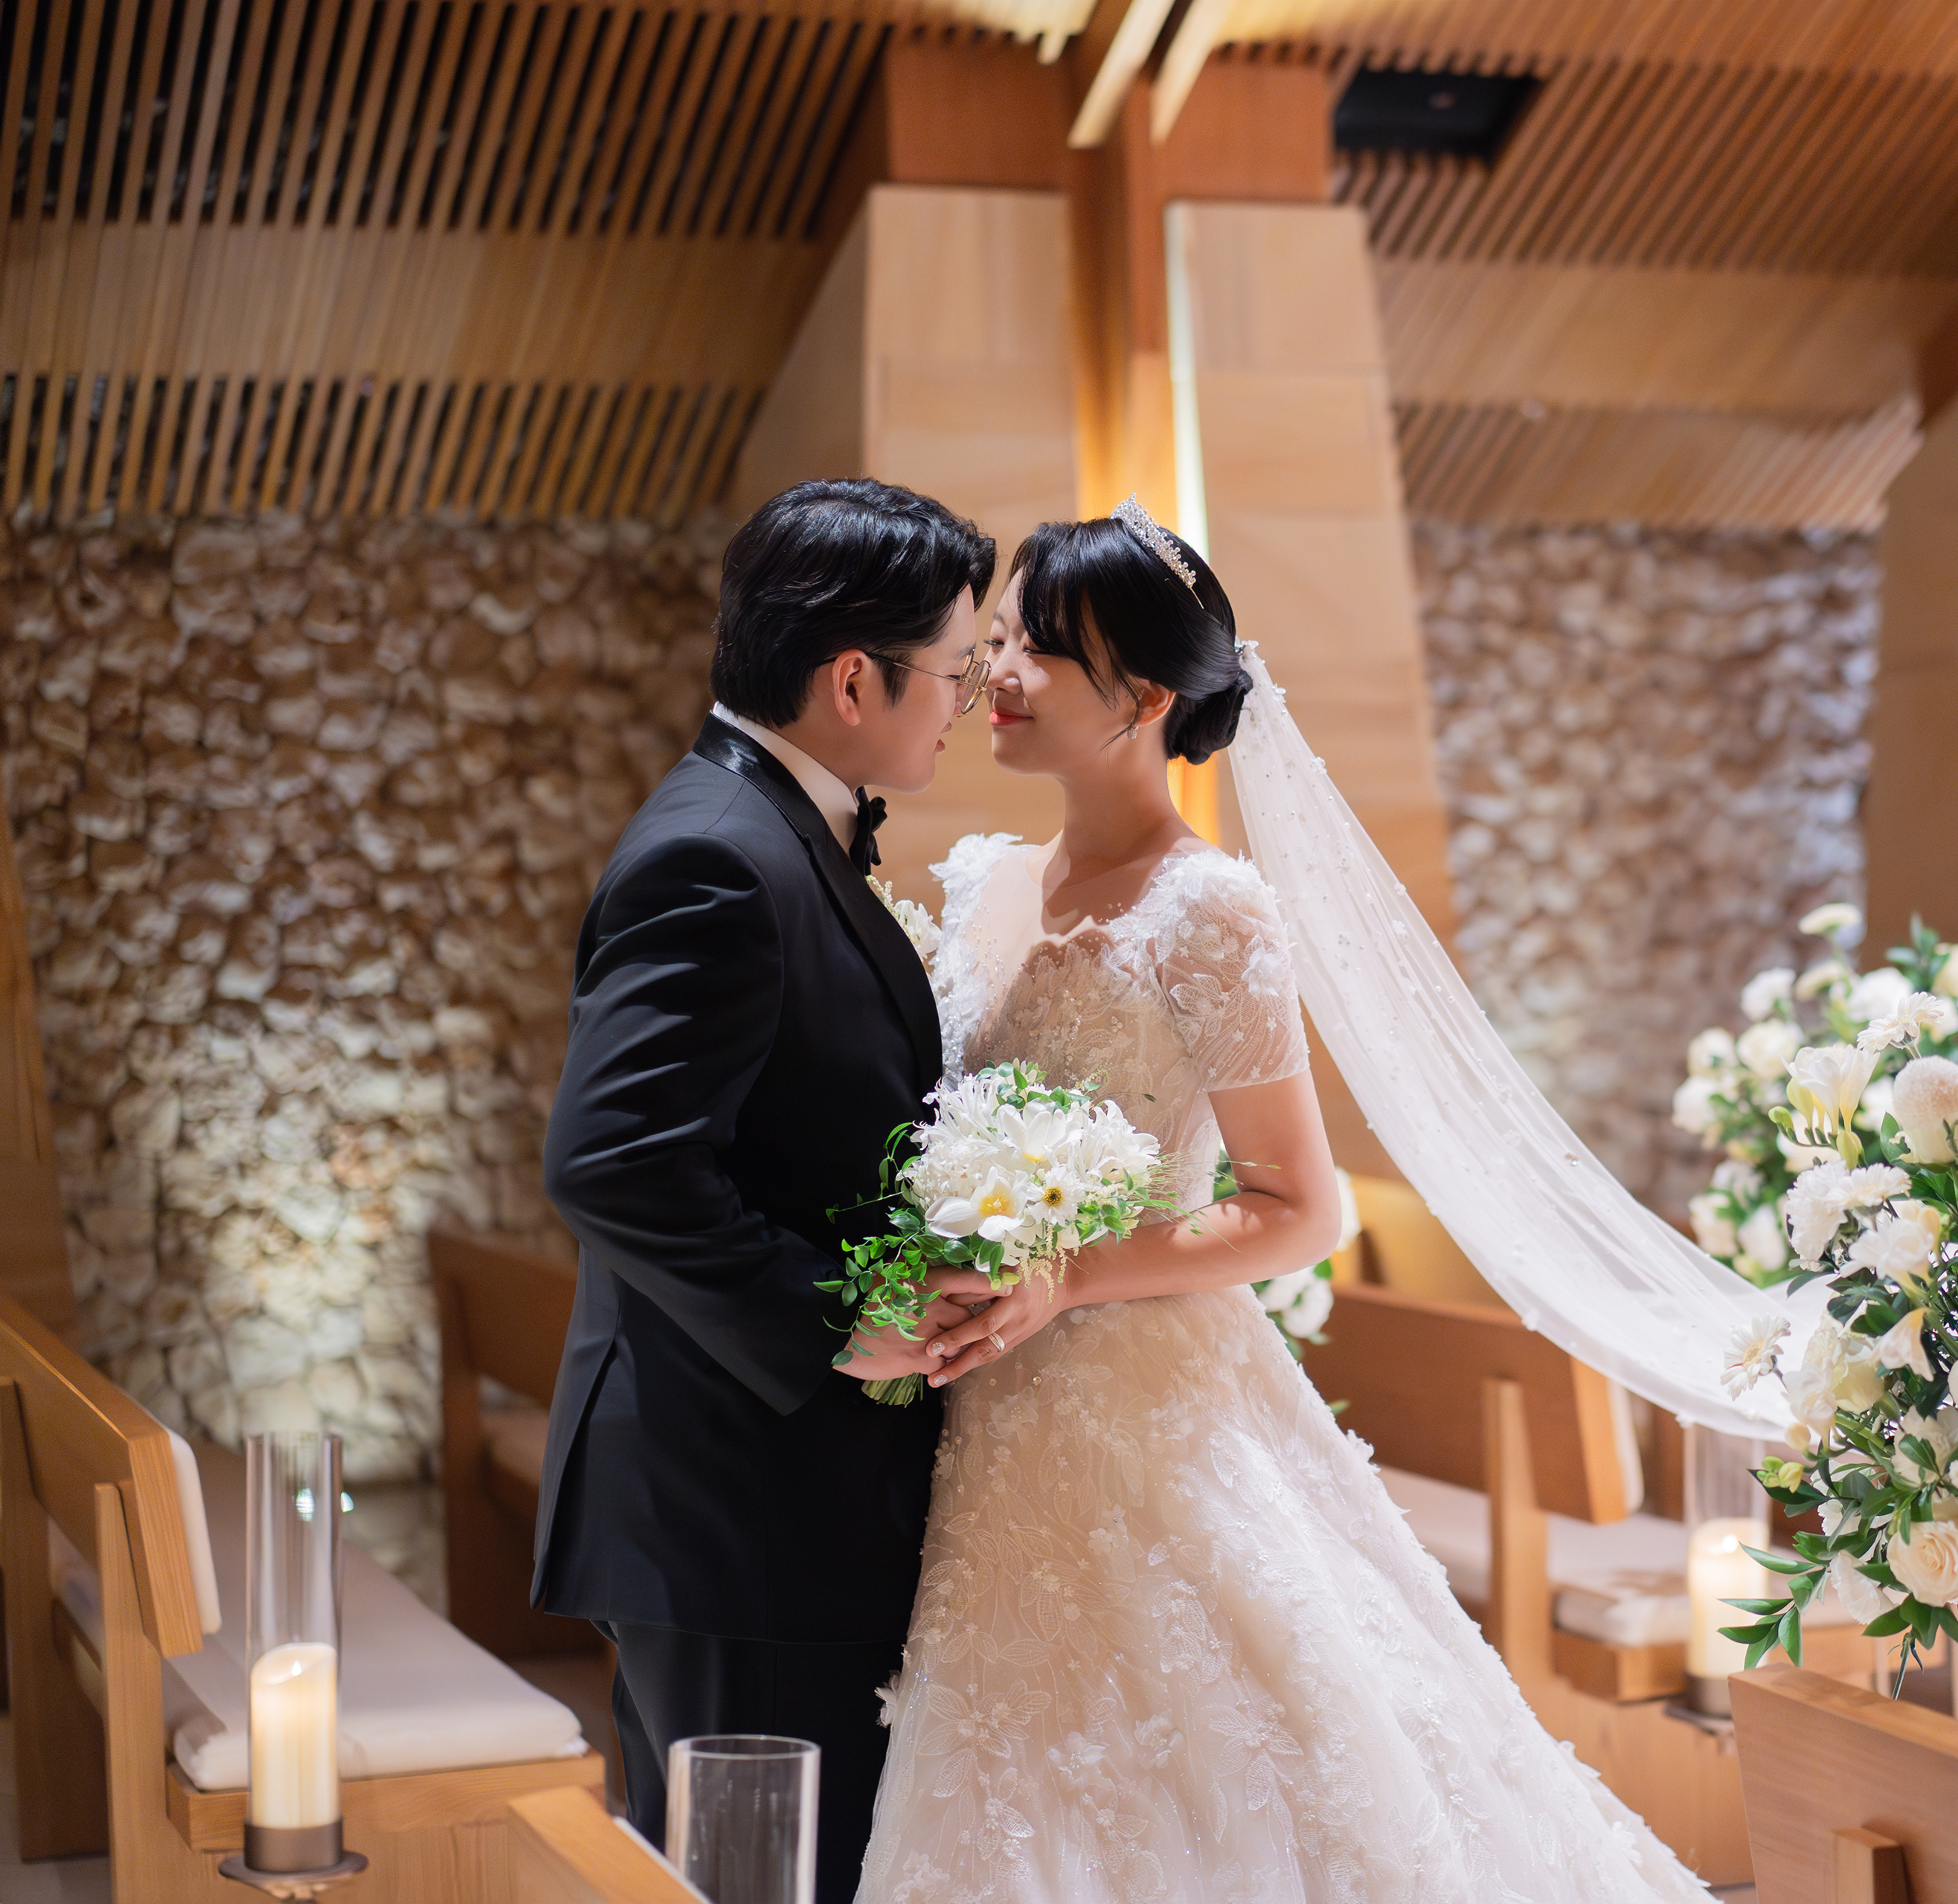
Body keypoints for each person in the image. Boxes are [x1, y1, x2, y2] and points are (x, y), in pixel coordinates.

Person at [850, 501, 1711, 1903]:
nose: (997, 673)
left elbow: (1299, 1208)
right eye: (997, 640)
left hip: (1141, 1404)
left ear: (1146, 698)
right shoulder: (989, 882)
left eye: (1039, 651)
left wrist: (1072, 1272)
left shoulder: (1211, 913)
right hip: (982, 1407)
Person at [536, 478, 995, 1903]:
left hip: (763, 1507)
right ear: (854, 680)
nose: (970, 701)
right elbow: (613, 1156)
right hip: (736, 1512)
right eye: (956, 671)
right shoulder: (716, 855)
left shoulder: (780, 825)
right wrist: (837, 1321)